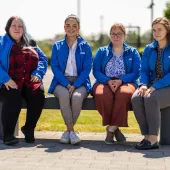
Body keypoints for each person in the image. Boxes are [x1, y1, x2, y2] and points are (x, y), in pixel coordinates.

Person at [0, 16, 48, 145]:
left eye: (20, 26)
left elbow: (43, 59)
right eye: (13, 26)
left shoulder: (30, 41)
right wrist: (5, 79)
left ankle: (29, 128)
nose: (17, 28)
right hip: (8, 81)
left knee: (37, 93)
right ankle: (8, 134)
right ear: (8, 28)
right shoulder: (1, 42)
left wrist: (38, 73)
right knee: (13, 95)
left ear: (23, 28)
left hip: (27, 80)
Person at [92, 23, 141, 144]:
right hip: (105, 81)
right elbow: (96, 70)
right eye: (113, 34)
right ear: (110, 35)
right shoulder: (101, 51)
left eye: (119, 34)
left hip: (126, 82)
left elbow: (137, 71)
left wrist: (121, 80)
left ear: (124, 35)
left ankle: (111, 128)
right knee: (101, 95)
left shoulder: (133, 52)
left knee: (124, 94)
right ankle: (116, 128)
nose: (116, 36)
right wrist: (107, 81)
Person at [48, 14, 92, 145]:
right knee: (64, 95)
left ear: (78, 28)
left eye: (74, 26)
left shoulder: (86, 46)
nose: (71, 28)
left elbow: (87, 69)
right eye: (68, 25)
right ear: (64, 27)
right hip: (61, 82)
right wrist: (67, 84)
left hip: (81, 82)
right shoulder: (57, 46)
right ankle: (72, 132)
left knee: (77, 97)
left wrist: (76, 84)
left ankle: (67, 132)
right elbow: (55, 67)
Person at [131, 17, 170, 150]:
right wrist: (143, 85)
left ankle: (153, 139)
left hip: (166, 86)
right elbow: (144, 70)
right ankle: (147, 136)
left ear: (167, 30)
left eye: (160, 29)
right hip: (151, 84)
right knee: (136, 98)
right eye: (154, 30)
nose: (156, 33)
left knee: (151, 98)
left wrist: (155, 87)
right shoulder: (149, 48)